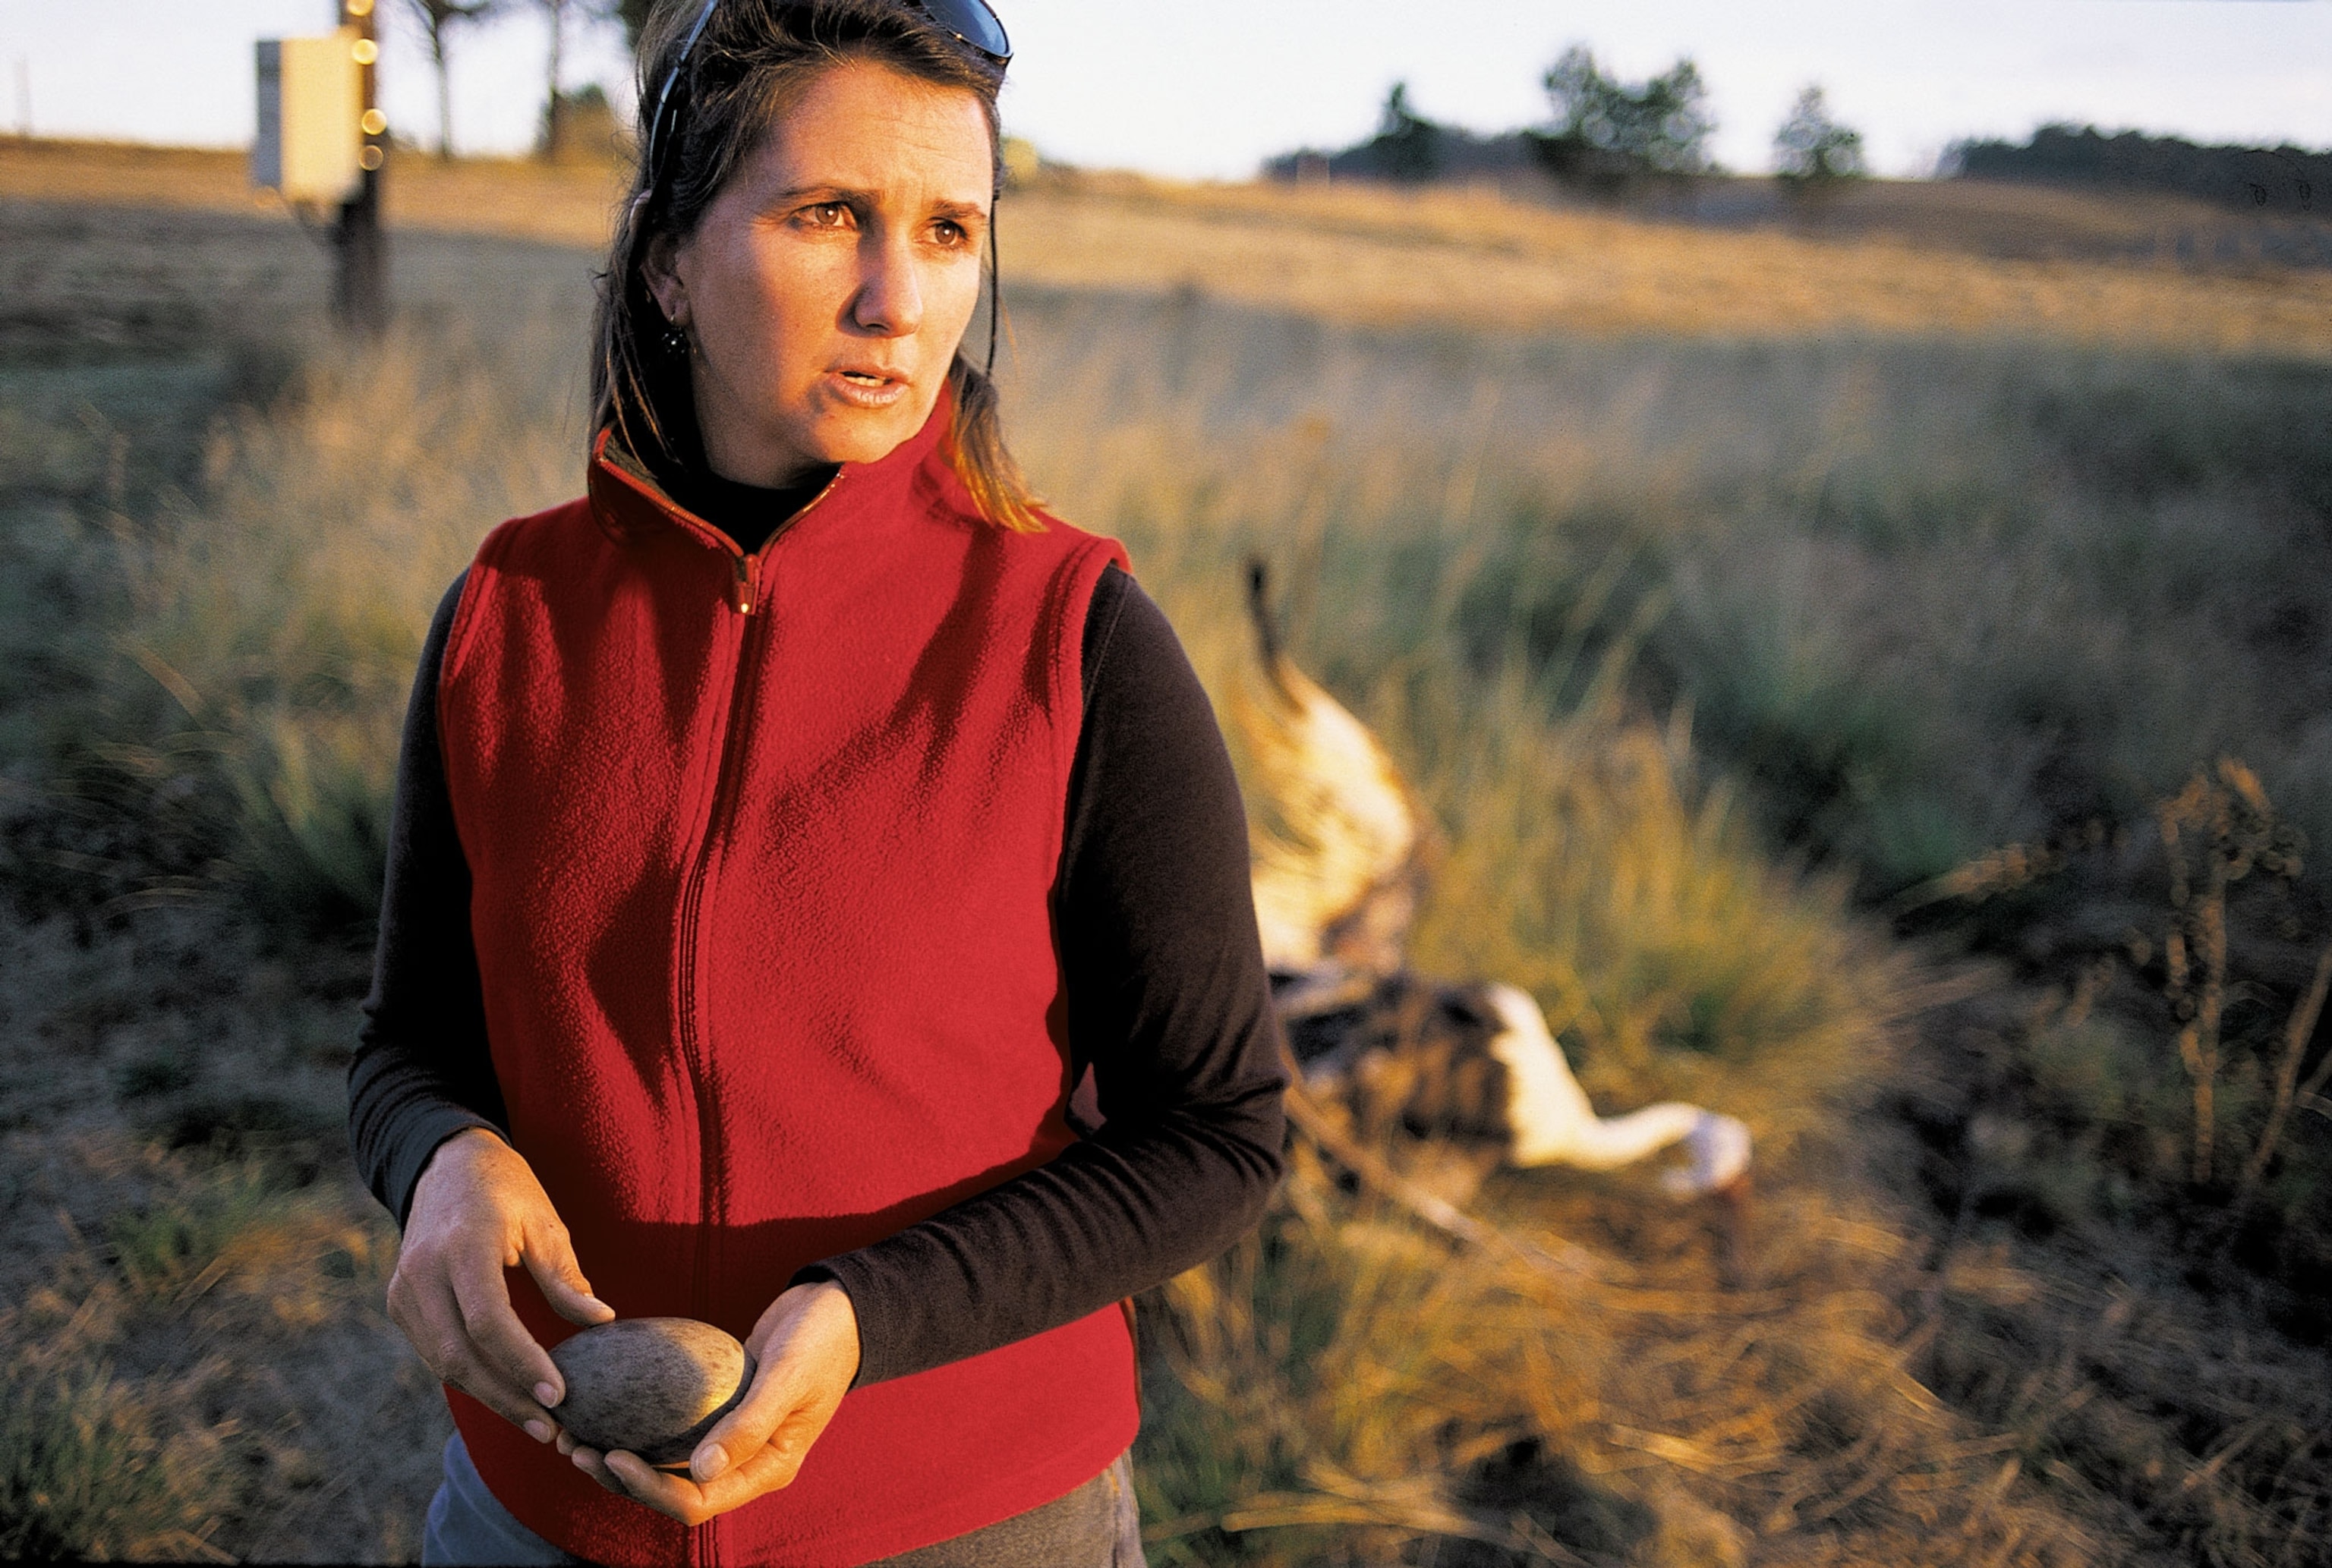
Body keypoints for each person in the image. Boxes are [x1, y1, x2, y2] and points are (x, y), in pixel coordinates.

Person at [344, 1, 1287, 1563]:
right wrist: (436, 1158)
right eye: (827, 214)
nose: (897, 299)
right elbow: (407, 1043)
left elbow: (1220, 1130)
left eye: (949, 230)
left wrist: (871, 1312)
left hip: (969, 1519)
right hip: (539, 1512)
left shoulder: (1077, 637)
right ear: (665, 259)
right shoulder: (504, 622)